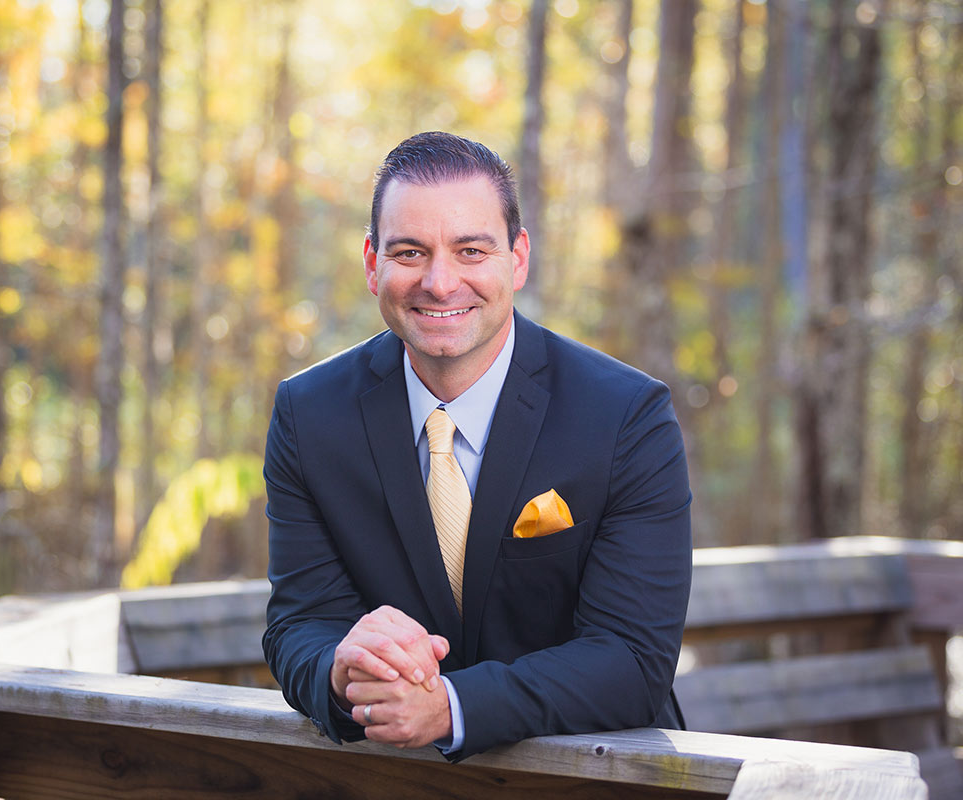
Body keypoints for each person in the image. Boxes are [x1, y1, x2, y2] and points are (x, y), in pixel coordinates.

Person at [262, 131, 692, 761]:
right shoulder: (309, 414)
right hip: (391, 780)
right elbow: (299, 624)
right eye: (409, 251)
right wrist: (340, 668)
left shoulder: (626, 416)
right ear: (371, 262)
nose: (440, 283)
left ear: (517, 258)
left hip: (600, 781)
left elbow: (631, 658)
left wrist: (450, 707)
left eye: (471, 250)